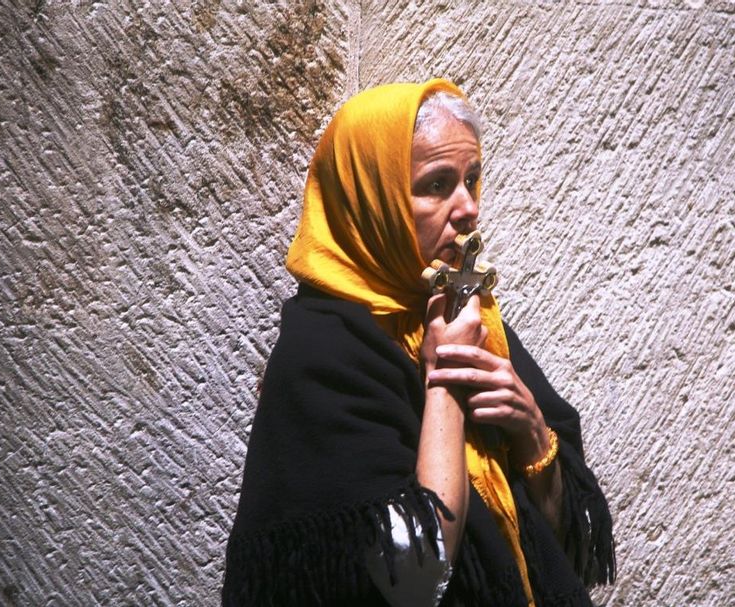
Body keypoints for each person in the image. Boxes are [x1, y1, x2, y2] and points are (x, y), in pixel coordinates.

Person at [222, 78, 615, 607]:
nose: (467, 208)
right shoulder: (325, 353)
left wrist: (531, 431)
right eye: (436, 185)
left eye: (471, 179)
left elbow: (567, 551)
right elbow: (412, 580)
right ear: (371, 201)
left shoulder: (466, 314)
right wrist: (445, 380)